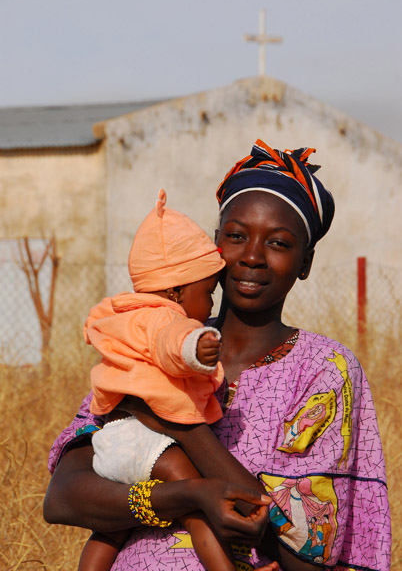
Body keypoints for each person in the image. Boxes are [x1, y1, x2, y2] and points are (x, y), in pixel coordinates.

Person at [44, 139, 391, 571]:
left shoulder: (325, 370)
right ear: (212, 247)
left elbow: (307, 553)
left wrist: (183, 429)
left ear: (306, 261)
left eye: (279, 243)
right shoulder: (152, 343)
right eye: (236, 236)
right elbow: (63, 497)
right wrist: (189, 496)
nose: (252, 256)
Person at [78, 188, 257, 571]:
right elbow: (170, 343)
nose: (210, 305)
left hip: (113, 440)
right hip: (146, 441)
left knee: (108, 532)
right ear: (176, 291)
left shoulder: (126, 312)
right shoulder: (164, 318)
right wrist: (198, 345)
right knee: (199, 509)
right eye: (207, 293)